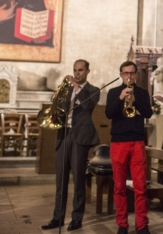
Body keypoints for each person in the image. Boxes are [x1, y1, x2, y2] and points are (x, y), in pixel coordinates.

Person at [41, 60, 100, 232]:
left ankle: (76, 219)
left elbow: (88, 105)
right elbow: (58, 109)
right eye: (75, 70)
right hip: (63, 135)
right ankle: (57, 218)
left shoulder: (93, 90)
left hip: (80, 137)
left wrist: (75, 86)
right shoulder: (66, 90)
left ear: (88, 71)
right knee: (60, 180)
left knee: (78, 180)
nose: (77, 73)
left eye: (80, 70)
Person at [106, 61, 153, 234]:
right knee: (119, 187)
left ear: (136, 75)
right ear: (121, 74)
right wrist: (120, 99)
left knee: (140, 187)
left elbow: (148, 113)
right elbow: (109, 113)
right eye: (126, 73)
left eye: (132, 73)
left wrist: (134, 101)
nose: (129, 76)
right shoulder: (113, 93)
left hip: (137, 142)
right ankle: (122, 225)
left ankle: (142, 225)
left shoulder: (142, 93)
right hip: (118, 143)